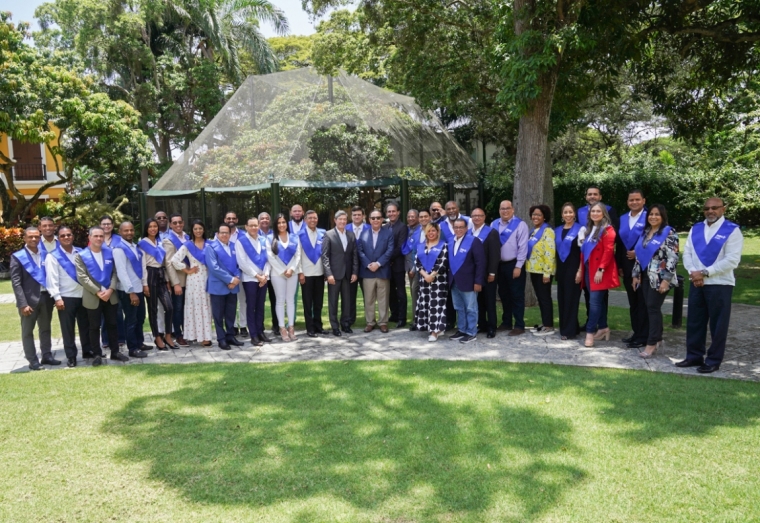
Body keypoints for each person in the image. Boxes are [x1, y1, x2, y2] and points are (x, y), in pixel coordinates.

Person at [677, 197, 743, 373]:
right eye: (707, 208)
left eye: (715, 208)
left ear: (723, 209)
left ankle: (713, 360)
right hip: (696, 282)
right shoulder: (696, 228)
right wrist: (693, 272)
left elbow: (732, 260)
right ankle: (694, 356)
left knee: (718, 324)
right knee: (695, 321)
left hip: (719, 283)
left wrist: (705, 273)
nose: (710, 211)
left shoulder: (732, 230)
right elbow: (687, 253)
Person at [75, 226, 129, 366]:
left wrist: (110, 290)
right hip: (93, 297)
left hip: (110, 296)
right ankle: (97, 354)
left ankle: (115, 352)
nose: (99, 238)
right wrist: (98, 292)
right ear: (90, 237)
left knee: (113, 324)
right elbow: (82, 277)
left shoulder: (110, 253)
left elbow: (115, 273)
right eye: (96, 236)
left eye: (101, 236)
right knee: (94, 327)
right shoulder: (81, 255)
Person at [632, 204, 679, 358]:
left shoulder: (669, 232)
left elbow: (673, 258)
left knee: (652, 308)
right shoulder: (645, 232)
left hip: (660, 277)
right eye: (651, 214)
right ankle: (657, 339)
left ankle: (651, 343)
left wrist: (666, 280)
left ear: (663, 216)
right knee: (649, 308)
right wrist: (635, 274)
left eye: (657, 214)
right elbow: (639, 254)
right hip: (645, 276)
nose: (653, 217)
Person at [11, 226, 58, 370]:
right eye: (30, 237)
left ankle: (47, 355)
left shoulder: (46, 254)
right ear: (24, 238)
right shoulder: (18, 256)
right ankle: (33, 360)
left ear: (40, 238)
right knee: (27, 332)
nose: (33, 239)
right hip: (28, 302)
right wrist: (22, 304)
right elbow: (16, 283)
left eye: (36, 237)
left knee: (45, 329)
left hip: (46, 298)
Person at [46, 225, 92, 367]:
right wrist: (57, 297)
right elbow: (52, 279)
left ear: (73, 236)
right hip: (66, 297)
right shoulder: (52, 256)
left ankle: (87, 350)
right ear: (58, 238)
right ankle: (71, 356)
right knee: (68, 329)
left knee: (86, 326)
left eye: (69, 234)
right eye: (63, 235)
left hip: (84, 295)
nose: (66, 237)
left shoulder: (82, 252)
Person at [579, 203, 620, 347]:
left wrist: (600, 269)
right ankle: (603, 327)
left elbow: (608, 252)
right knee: (598, 301)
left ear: (603, 213)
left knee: (594, 303)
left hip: (600, 271)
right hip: (588, 269)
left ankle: (590, 332)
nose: (595, 213)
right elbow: (584, 251)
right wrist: (580, 270)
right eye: (592, 211)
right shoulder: (589, 230)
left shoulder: (608, 230)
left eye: (598, 211)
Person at [170, 220, 214, 347]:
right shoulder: (188, 245)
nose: (198, 231)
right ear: (192, 230)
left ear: (204, 230)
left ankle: (206, 336)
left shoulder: (209, 244)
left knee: (206, 307)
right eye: (195, 229)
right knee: (195, 307)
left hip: (207, 277)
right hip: (194, 280)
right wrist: (187, 270)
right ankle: (195, 336)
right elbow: (174, 260)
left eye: (200, 228)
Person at [111, 222, 149, 359]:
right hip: (128, 291)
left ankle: (140, 343)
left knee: (140, 318)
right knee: (131, 320)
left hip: (138, 287)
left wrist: (144, 285)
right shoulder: (119, 249)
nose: (129, 233)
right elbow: (121, 272)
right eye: (126, 230)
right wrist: (131, 292)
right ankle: (132, 348)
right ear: (120, 232)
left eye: (131, 230)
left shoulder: (135, 247)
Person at [491, 200, 529, 335]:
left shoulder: (520, 225)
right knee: (503, 295)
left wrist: (519, 266)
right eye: (502, 209)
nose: (505, 211)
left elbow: (523, 247)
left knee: (516, 295)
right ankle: (506, 322)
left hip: (514, 264)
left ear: (512, 209)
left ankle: (519, 325)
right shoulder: (494, 224)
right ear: (499, 210)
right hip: (498, 266)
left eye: (507, 208)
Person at [617, 190, 649, 348]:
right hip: (627, 266)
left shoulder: (651, 216)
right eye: (631, 200)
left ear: (643, 200)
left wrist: (639, 251)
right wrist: (620, 265)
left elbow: (655, 239)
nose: (634, 202)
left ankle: (644, 336)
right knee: (633, 301)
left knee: (643, 301)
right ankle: (636, 332)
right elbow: (620, 244)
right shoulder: (623, 218)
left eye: (637, 199)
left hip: (644, 266)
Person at [139, 218, 177, 351]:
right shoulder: (142, 243)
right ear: (146, 229)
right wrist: (145, 284)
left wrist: (167, 280)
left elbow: (165, 263)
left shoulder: (160, 242)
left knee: (169, 307)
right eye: (150, 227)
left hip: (161, 274)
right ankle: (157, 337)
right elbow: (143, 265)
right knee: (153, 309)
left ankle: (167, 335)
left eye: (155, 226)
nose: (153, 229)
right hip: (150, 275)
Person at [205, 224, 244, 350]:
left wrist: (237, 278)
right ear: (217, 234)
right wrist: (231, 279)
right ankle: (221, 339)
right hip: (218, 286)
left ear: (230, 234)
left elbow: (240, 264)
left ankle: (230, 336)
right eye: (221, 232)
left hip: (232, 287)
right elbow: (214, 268)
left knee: (231, 313)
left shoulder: (234, 246)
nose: (224, 235)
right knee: (218, 315)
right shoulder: (211, 247)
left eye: (226, 232)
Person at [321, 210, 359, 336]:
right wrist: (329, 274)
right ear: (335, 220)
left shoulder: (351, 235)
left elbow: (354, 255)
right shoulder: (328, 234)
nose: (342, 221)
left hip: (348, 274)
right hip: (334, 275)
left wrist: (354, 272)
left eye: (344, 219)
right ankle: (335, 326)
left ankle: (345, 324)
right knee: (333, 301)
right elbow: (325, 256)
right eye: (340, 219)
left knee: (347, 301)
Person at [235, 217, 271, 347]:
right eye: (251, 225)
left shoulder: (263, 240)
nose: (254, 228)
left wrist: (265, 275)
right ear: (246, 227)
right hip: (250, 279)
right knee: (251, 306)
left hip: (264, 278)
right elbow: (242, 262)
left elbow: (268, 259)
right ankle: (254, 335)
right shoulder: (241, 241)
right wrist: (257, 276)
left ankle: (260, 331)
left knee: (261, 306)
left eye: (256, 225)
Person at [448, 218, 484, 344]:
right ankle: (462, 330)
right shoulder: (450, 241)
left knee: (471, 308)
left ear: (466, 228)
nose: (458, 230)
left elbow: (480, 263)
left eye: (461, 227)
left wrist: (478, 281)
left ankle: (471, 332)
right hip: (454, 281)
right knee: (459, 307)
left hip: (469, 281)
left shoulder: (473, 241)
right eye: (456, 227)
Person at [358, 209, 394, 333]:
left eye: (378, 218)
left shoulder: (388, 233)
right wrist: (369, 264)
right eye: (373, 218)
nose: (376, 220)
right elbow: (360, 251)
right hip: (368, 272)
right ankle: (370, 322)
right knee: (369, 299)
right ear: (369, 220)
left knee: (383, 299)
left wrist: (378, 264)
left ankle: (383, 322)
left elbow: (390, 250)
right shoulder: (363, 234)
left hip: (382, 271)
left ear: (382, 219)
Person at [267, 214, 302, 342]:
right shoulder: (270, 238)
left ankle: (291, 327)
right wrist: (283, 271)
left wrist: (291, 269)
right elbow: (271, 257)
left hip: (292, 273)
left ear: (287, 223)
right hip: (277, 274)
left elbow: (298, 255)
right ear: (276, 225)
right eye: (279, 223)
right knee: (280, 300)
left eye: (283, 222)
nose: (282, 225)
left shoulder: (294, 237)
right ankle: (282, 328)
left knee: (291, 300)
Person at [413, 223, 448, 341]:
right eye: (429, 231)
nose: (431, 233)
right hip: (424, 281)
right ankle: (431, 327)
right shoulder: (421, 246)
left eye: (434, 230)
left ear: (438, 232)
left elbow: (442, 263)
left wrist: (432, 275)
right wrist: (425, 275)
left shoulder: (443, 245)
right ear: (426, 233)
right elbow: (417, 263)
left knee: (436, 305)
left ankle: (434, 332)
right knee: (425, 303)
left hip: (438, 281)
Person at [526, 205, 556, 335]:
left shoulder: (547, 231)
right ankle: (544, 322)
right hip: (534, 270)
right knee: (540, 297)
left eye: (538, 214)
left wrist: (547, 273)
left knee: (545, 298)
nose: (535, 217)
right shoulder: (534, 231)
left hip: (543, 272)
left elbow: (550, 253)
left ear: (544, 216)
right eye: (533, 214)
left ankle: (548, 325)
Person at [554, 203, 583, 340]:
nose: (568, 215)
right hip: (561, 269)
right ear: (562, 215)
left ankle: (568, 331)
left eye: (570, 212)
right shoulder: (557, 230)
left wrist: (580, 270)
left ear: (574, 214)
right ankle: (573, 327)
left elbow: (583, 252)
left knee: (571, 300)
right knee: (563, 299)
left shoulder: (580, 229)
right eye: (565, 212)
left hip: (574, 268)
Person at [471, 208, 500, 339]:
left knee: (489, 301)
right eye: (474, 216)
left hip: (488, 273)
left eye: (479, 215)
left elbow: (495, 254)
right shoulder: (469, 232)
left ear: (484, 217)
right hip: (475, 273)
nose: (477, 218)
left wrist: (492, 273)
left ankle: (492, 327)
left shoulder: (491, 232)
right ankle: (482, 324)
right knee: (479, 301)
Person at [162, 214, 190, 347]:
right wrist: (175, 283)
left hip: (191, 279)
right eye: (175, 223)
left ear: (183, 223)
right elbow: (168, 263)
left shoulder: (188, 237)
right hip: (179, 280)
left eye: (180, 222)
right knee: (178, 308)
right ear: (171, 225)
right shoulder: (168, 240)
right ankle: (178, 334)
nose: (178, 225)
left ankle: (188, 333)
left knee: (188, 308)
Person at [298, 210, 326, 337]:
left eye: (315, 218)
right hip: (306, 274)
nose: (312, 220)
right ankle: (310, 328)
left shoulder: (323, 233)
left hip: (320, 272)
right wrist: (300, 273)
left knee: (318, 302)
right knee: (308, 303)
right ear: (305, 220)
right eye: (310, 218)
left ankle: (318, 326)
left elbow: (326, 254)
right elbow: (297, 256)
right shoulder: (299, 235)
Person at [100, 214, 126, 349]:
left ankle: (121, 337)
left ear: (113, 225)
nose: (106, 226)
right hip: (102, 279)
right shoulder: (96, 239)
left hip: (118, 278)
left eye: (108, 224)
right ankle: (105, 339)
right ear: (100, 226)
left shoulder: (119, 239)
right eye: (104, 224)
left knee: (118, 310)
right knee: (104, 312)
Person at [222, 211, 248, 338]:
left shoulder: (243, 235)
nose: (231, 220)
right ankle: (231, 326)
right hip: (226, 276)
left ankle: (243, 325)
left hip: (241, 273)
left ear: (237, 220)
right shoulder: (219, 236)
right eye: (228, 218)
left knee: (242, 300)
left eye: (233, 218)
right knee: (230, 302)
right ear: (224, 220)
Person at [385, 202, 409, 328]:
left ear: (398, 212)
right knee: (390, 292)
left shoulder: (402, 227)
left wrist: (386, 258)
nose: (391, 214)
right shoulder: (385, 227)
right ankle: (394, 314)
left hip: (398, 265)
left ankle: (402, 318)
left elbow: (400, 247)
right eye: (389, 212)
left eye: (393, 211)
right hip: (387, 266)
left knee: (400, 292)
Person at [407, 209, 431, 331]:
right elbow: (414, 252)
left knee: (430, 295)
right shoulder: (417, 232)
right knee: (415, 291)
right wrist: (413, 268)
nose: (423, 219)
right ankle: (416, 320)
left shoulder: (435, 230)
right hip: (418, 268)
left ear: (430, 217)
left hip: (432, 269)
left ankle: (430, 321)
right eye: (421, 217)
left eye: (425, 216)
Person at [346, 205, 369, 327]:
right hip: (350, 267)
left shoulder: (370, 228)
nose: (357, 217)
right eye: (354, 215)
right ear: (351, 216)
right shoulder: (345, 228)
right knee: (350, 294)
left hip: (366, 267)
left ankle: (369, 319)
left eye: (359, 214)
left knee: (368, 294)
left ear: (363, 216)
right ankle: (350, 318)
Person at [258, 211, 279, 337]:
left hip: (274, 272)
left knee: (275, 300)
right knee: (259, 302)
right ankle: (259, 326)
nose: (265, 220)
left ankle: (276, 325)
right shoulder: (254, 234)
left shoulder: (275, 234)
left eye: (267, 218)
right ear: (258, 221)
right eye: (262, 219)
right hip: (261, 274)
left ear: (270, 222)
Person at [403, 209, 421, 321]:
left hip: (418, 268)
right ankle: (417, 318)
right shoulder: (406, 229)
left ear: (418, 217)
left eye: (413, 216)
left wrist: (414, 268)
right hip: (408, 267)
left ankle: (417, 319)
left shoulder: (421, 230)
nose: (411, 218)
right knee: (413, 293)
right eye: (409, 216)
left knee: (416, 292)